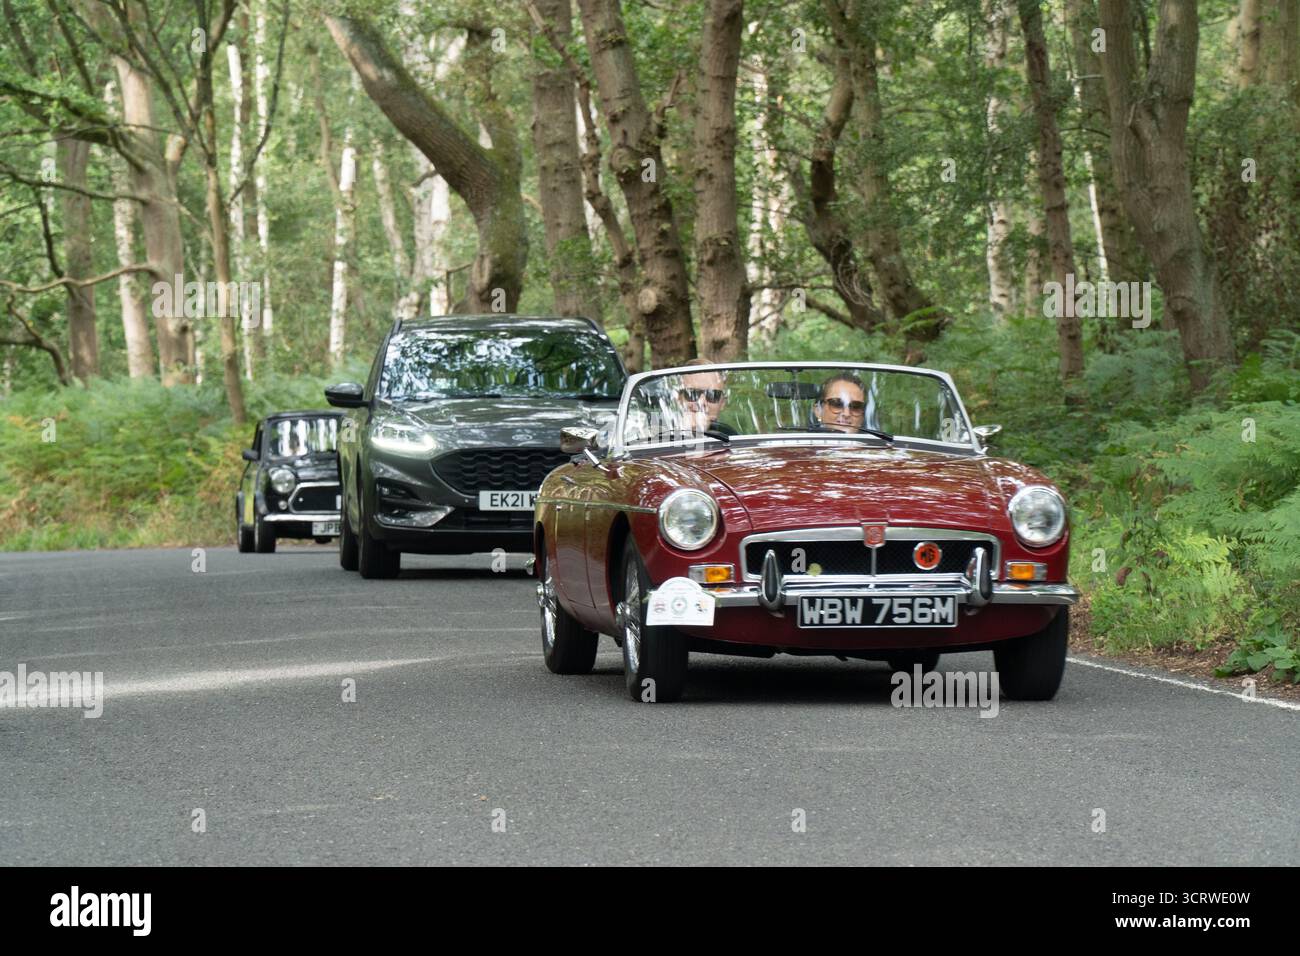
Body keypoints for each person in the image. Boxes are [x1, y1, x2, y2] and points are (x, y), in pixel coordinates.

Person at [675, 359, 736, 436]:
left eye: (712, 395)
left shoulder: (729, 435)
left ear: (722, 403)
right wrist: (686, 432)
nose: (701, 402)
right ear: (679, 399)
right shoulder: (662, 432)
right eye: (692, 393)